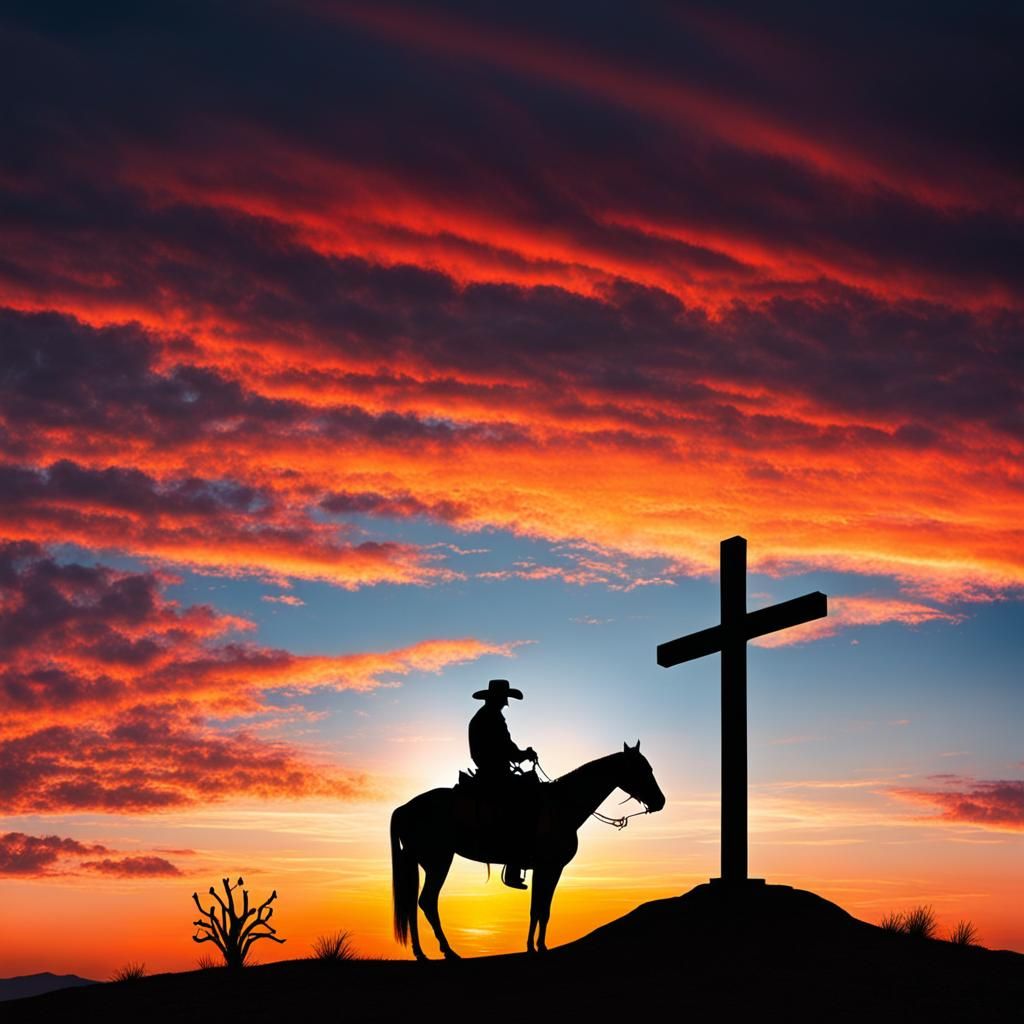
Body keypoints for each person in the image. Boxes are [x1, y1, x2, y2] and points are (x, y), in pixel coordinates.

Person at [468, 679, 537, 889]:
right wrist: (524, 754)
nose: (506, 703)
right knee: (524, 805)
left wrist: (519, 754)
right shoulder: (492, 718)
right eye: (504, 698)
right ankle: (514, 866)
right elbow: (506, 747)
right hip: (494, 773)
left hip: (491, 770)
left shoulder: (484, 716)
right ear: (498, 699)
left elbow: (505, 747)